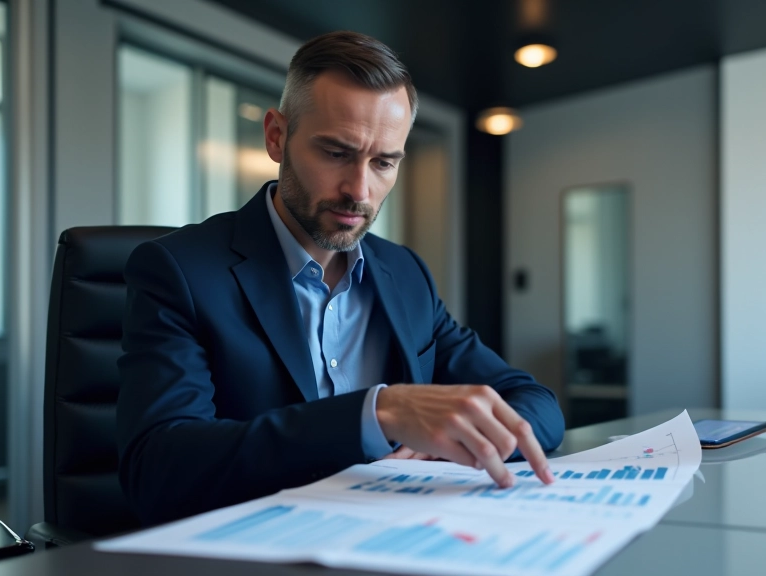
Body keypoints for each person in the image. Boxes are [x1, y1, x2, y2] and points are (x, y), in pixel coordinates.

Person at [116, 30, 564, 527]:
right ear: (276, 137)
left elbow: (536, 404)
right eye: (335, 153)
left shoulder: (406, 274)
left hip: (395, 534)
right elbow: (157, 471)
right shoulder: (179, 270)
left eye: (383, 162)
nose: (359, 190)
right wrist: (377, 414)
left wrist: (442, 449)